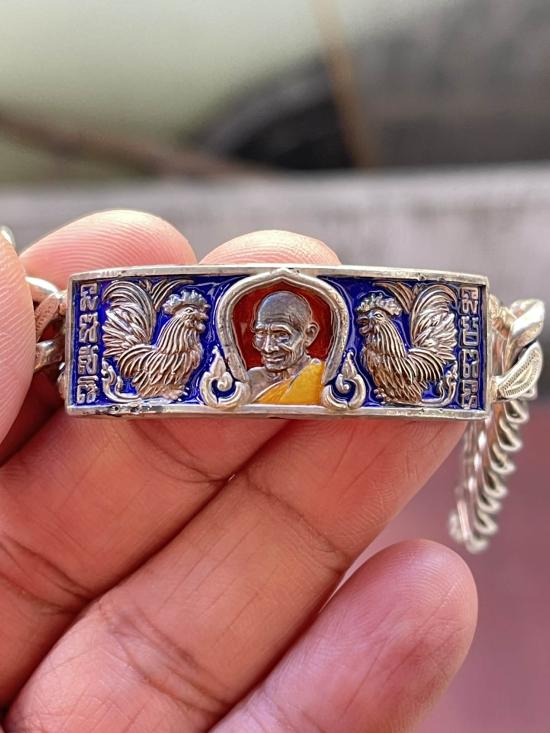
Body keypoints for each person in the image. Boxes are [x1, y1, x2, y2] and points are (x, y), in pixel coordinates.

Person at [0, 217, 476, 732]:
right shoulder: (248, 376)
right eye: (261, 333)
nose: (267, 345)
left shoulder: (316, 379)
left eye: (282, 334)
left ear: (312, 335)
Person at [247, 290, 324, 404]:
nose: (267, 348)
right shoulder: (252, 381)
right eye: (261, 333)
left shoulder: (321, 378)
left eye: (281, 334)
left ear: (309, 334)